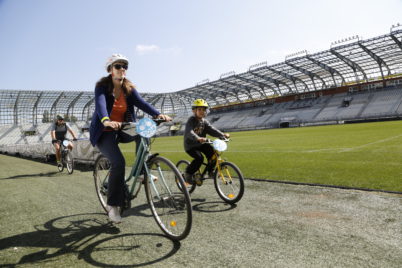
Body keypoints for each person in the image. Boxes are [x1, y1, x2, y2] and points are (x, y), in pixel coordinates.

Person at [89, 53, 171, 224]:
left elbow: (142, 103)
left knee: (143, 130)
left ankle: (142, 172)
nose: (122, 69)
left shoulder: (129, 88)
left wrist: (158, 114)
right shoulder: (102, 87)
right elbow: (101, 104)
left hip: (124, 127)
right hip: (104, 131)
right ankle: (112, 206)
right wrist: (107, 120)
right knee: (118, 162)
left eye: (124, 66)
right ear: (110, 70)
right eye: (118, 66)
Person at [183, 99, 230, 185]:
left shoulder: (204, 122)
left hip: (201, 144)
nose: (202, 111)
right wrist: (197, 138)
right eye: (199, 109)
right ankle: (188, 174)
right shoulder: (191, 120)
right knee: (199, 158)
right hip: (190, 146)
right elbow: (189, 132)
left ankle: (210, 171)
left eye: (204, 109)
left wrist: (222, 135)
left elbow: (212, 130)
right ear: (194, 110)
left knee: (213, 154)